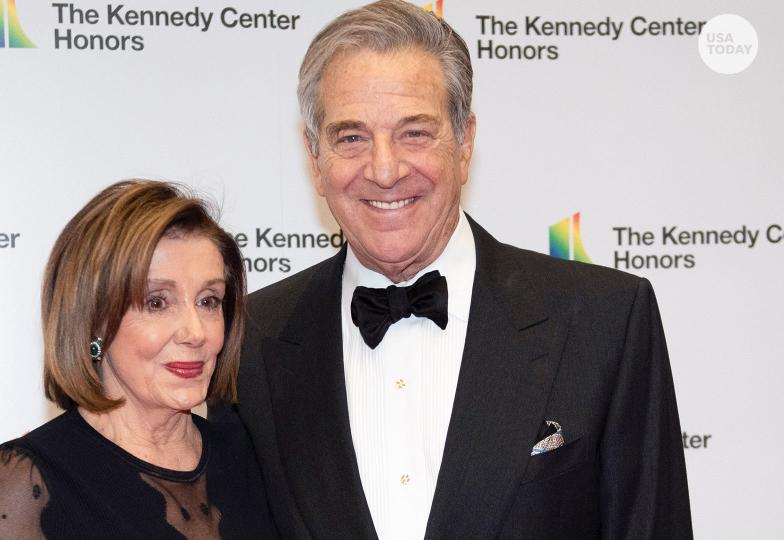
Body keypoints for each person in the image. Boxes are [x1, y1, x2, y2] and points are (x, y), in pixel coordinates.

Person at [229, 1, 692, 538]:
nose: (384, 170)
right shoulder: (249, 340)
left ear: (465, 141)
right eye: (351, 137)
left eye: (415, 133)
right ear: (315, 158)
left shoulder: (606, 321)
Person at [0, 180, 276, 539]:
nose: (195, 332)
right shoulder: (32, 479)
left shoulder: (249, 454)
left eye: (209, 301)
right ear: (94, 317)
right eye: (157, 302)